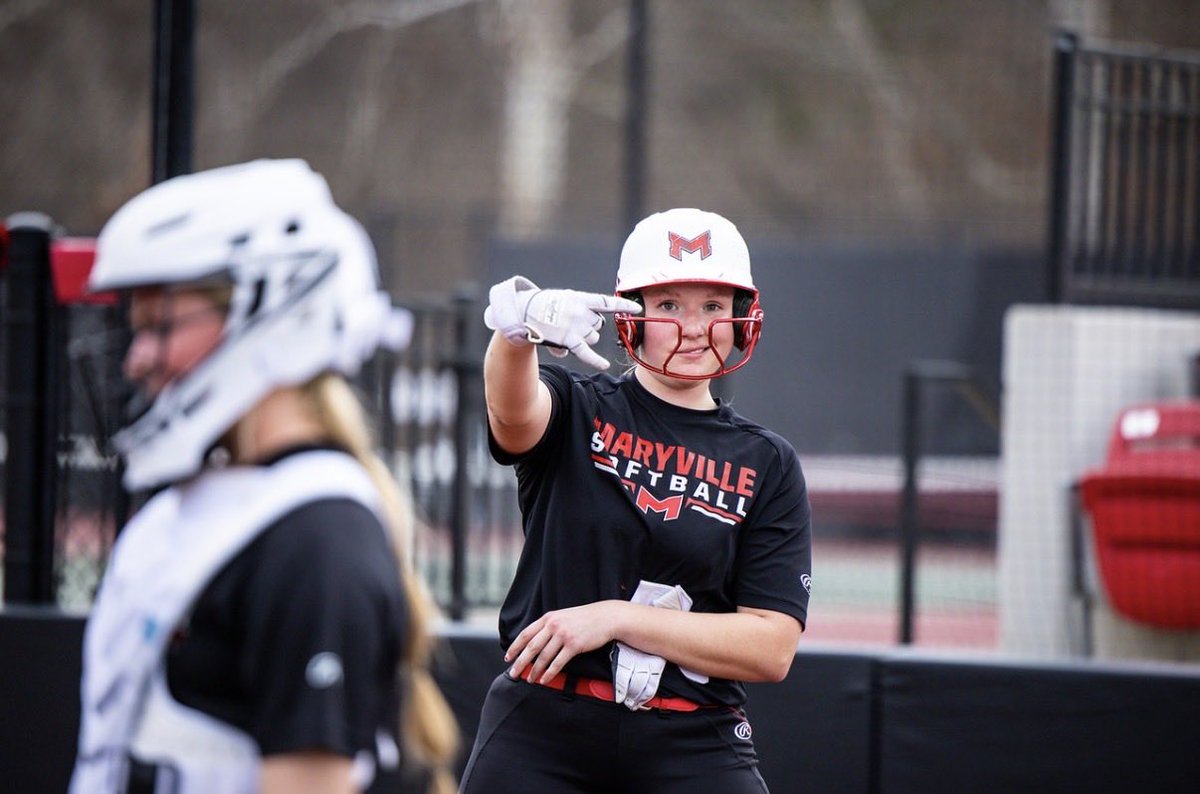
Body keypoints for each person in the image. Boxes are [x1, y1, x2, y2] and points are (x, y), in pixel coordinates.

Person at [68, 159, 458, 794]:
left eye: (162, 326)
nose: (138, 360)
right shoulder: (203, 509)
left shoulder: (315, 540)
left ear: (277, 312)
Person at [460, 207, 812, 793]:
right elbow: (512, 412)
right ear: (633, 315)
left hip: (695, 738)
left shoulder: (769, 463)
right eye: (669, 304)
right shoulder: (578, 406)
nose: (693, 326)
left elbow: (771, 647)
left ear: (740, 318)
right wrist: (516, 334)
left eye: (713, 306)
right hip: (544, 726)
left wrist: (616, 619)